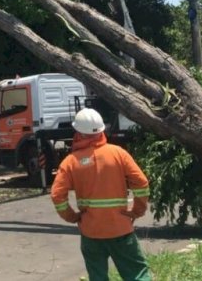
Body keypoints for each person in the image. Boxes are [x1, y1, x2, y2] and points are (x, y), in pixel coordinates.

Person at [51, 108, 152, 281]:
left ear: (78, 133)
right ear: (101, 130)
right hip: (121, 229)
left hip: (91, 232)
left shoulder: (70, 162)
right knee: (137, 274)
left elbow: (57, 195)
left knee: (97, 277)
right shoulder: (118, 153)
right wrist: (137, 210)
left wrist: (72, 217)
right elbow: (141, 183)